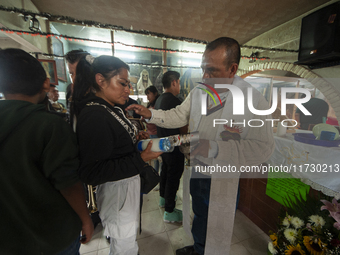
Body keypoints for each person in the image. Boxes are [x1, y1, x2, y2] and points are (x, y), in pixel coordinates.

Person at [126, 37, 275, 255]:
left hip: (222, 175)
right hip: (198, 167)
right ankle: (199, 247)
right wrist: (150, 113)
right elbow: (179, 114)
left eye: (212, 70)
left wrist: (216, 148)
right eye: (203, 69)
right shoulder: (201, 90)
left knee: (214, 221)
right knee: (199, 211)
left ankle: (206, 250)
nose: (205, 76)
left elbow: (263, 148)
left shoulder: (253, 100)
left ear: (233, 68)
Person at [0, 48, 94, 254]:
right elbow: (67, 183)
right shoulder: (49, 125)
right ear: (45, 83)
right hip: (52, 235)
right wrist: (85, 218)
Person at [72, 55, 162, 255]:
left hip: (126, 187)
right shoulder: (94, 114)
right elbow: (92, 171)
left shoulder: (109, 109)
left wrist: (135, 140)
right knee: (124, 247)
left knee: (127, 242)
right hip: (117, 191)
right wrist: (141, 159)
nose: (127, 90)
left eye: (128, 84)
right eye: (122, 83)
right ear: (100, 80)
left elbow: (113, 145)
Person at [154, 71, 187, 223]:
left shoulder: (160, 99)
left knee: (165, 172)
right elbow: (182, 126)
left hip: (163, 145)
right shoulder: (175, 101)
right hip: (174, 146)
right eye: (179, 83)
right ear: (174, 82)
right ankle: (169, 210)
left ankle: (162, 198)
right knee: (174, 176)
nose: (179, 86)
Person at [144, 86, 161, 175]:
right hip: (150, 134)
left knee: (157, 157)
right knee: (154, 159)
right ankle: (154, 175)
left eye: (149, 94)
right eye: (146, 94)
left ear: (155, 94)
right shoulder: (149, 105)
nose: (147, 96)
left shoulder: (157, 106)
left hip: (156, 134)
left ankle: (157, 176)